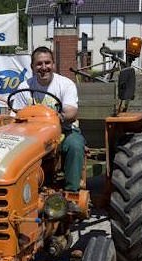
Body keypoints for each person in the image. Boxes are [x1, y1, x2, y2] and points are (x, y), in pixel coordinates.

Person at [13, 46, 85, 193]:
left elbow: (71, 112)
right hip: (31, 135)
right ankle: (20, 189)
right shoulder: (24, 87)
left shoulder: (65, 84)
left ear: (53, 65)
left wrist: (61, 116)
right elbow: (15, 115)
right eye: (39, 64)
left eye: (47, 63)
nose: (43, 67)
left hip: (64, 131)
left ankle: (72, 192)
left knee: (75, 145)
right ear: (32, 67)